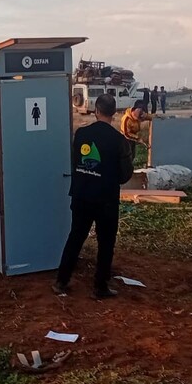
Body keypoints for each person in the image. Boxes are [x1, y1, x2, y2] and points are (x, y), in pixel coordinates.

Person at [54, 93, 134, 299]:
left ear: (96, 111)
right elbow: (125, 175)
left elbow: (75, 162)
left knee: (76, 237)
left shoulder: (81, 134)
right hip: (105, 199)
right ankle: (100, 286)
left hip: (81, 195)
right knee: (106, 242)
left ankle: (61, 281)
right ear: (114, 113)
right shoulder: (119, 140)